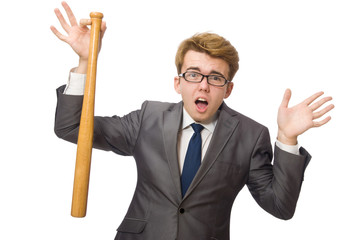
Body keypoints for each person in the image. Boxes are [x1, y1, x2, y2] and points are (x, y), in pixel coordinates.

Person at [52, 2, 334, 240]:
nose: (203, 86)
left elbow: (280, 207)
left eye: (215, 77)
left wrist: (287, 139)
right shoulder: (147, 118)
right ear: (178, 83)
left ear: (228, 88)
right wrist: (85, 62)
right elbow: (72, 128)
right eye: (193, 74)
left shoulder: (250, 136)